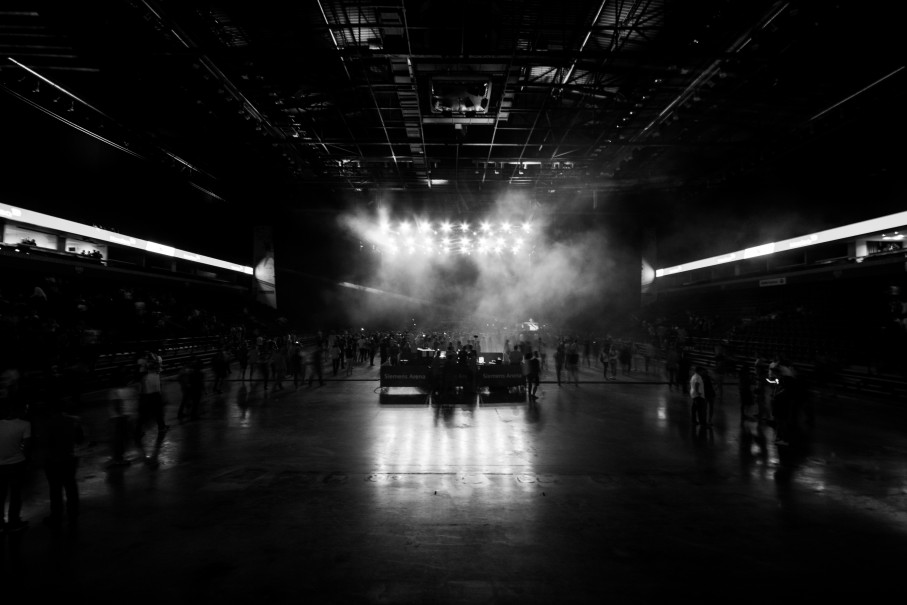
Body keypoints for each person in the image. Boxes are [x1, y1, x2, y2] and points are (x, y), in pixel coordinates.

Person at [32, 399, 84, 531]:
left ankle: (56, 516)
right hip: (69, 458)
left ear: (51, 410)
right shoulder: (73, 421)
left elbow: (43, 443)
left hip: (53, 460)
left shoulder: (48, 424)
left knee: (55, 490)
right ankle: (73, 514)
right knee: (71, 487)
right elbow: (80, 439)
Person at [0, 398, 30, 532]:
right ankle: (14, 521)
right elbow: (27, 446)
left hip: (1, 464)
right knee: (15, 494)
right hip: (17, 463)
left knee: (1, 494)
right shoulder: (25, 424)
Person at [134, 350, 168, 446]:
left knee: (153, 413)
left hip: (150, 395)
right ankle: (160, 427)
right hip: (152, 395)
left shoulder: (149, 375)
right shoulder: (151, 375)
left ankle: (160, 427)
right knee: (154, 413)